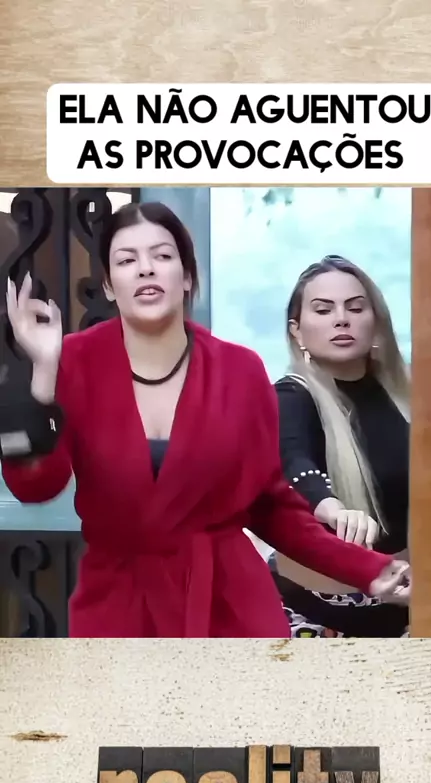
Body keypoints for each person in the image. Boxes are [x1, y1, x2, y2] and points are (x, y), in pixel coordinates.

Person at [0, 205, 410, 638]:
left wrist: (370, 570)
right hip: (117, 604)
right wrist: (44, 370)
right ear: (108, 284)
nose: (145, 269)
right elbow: (35, 486)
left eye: (162, 256)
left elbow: (271, 508)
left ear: (187, 276)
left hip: (228, 603)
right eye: (126, 260)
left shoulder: (240, 370)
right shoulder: (75, 361)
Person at [272, 255, 410, 638]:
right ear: (297, 331)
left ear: (375, 322)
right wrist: (330, 507)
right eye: (323, 310)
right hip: (311, 613)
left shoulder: (407, 398)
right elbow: (291, 461)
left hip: (406, 608)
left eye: (355, 307)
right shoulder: (290, 396)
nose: (341, 319)